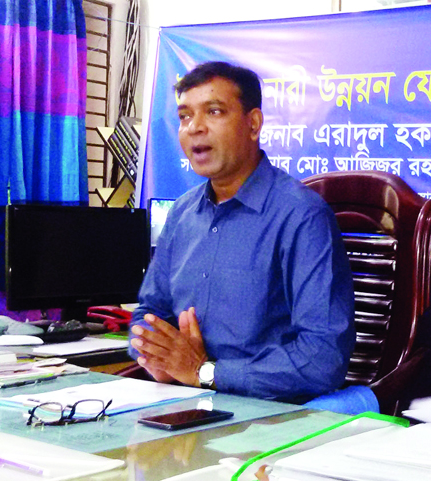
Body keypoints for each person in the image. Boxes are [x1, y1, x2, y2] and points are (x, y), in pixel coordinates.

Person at [128, 61, 355, 403]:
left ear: (253, 124)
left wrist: (205, 373)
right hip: (181, 401)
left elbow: (323, 357)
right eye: (185, 116)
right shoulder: (182, 213)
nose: (195, 128)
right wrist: (155, 357)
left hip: (266, 416)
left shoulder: (301, 215)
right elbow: (148, 310)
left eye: (214, 111)